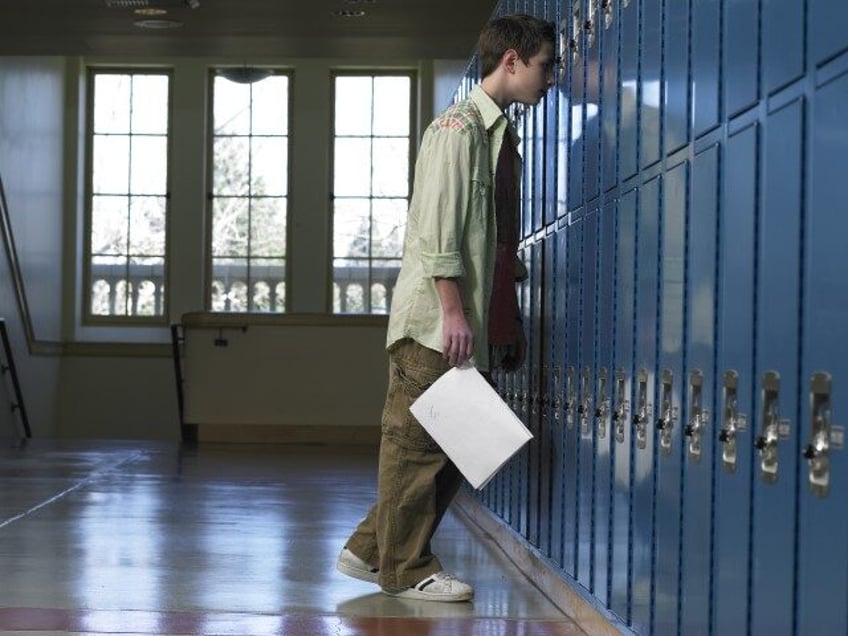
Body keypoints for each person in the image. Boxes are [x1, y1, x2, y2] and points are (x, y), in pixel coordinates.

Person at [337, 13, 557, 603]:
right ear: (511, 60)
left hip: (468, 323)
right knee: (416, 448)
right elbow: (438, 233)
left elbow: (494, 241)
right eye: (544, 65)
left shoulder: (496, 134)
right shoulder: (457, 130)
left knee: (461, 444)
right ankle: (406, 570)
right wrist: (454, 313)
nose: (550, 78)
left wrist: (500, 313)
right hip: (438, 326)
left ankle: (370, 549)